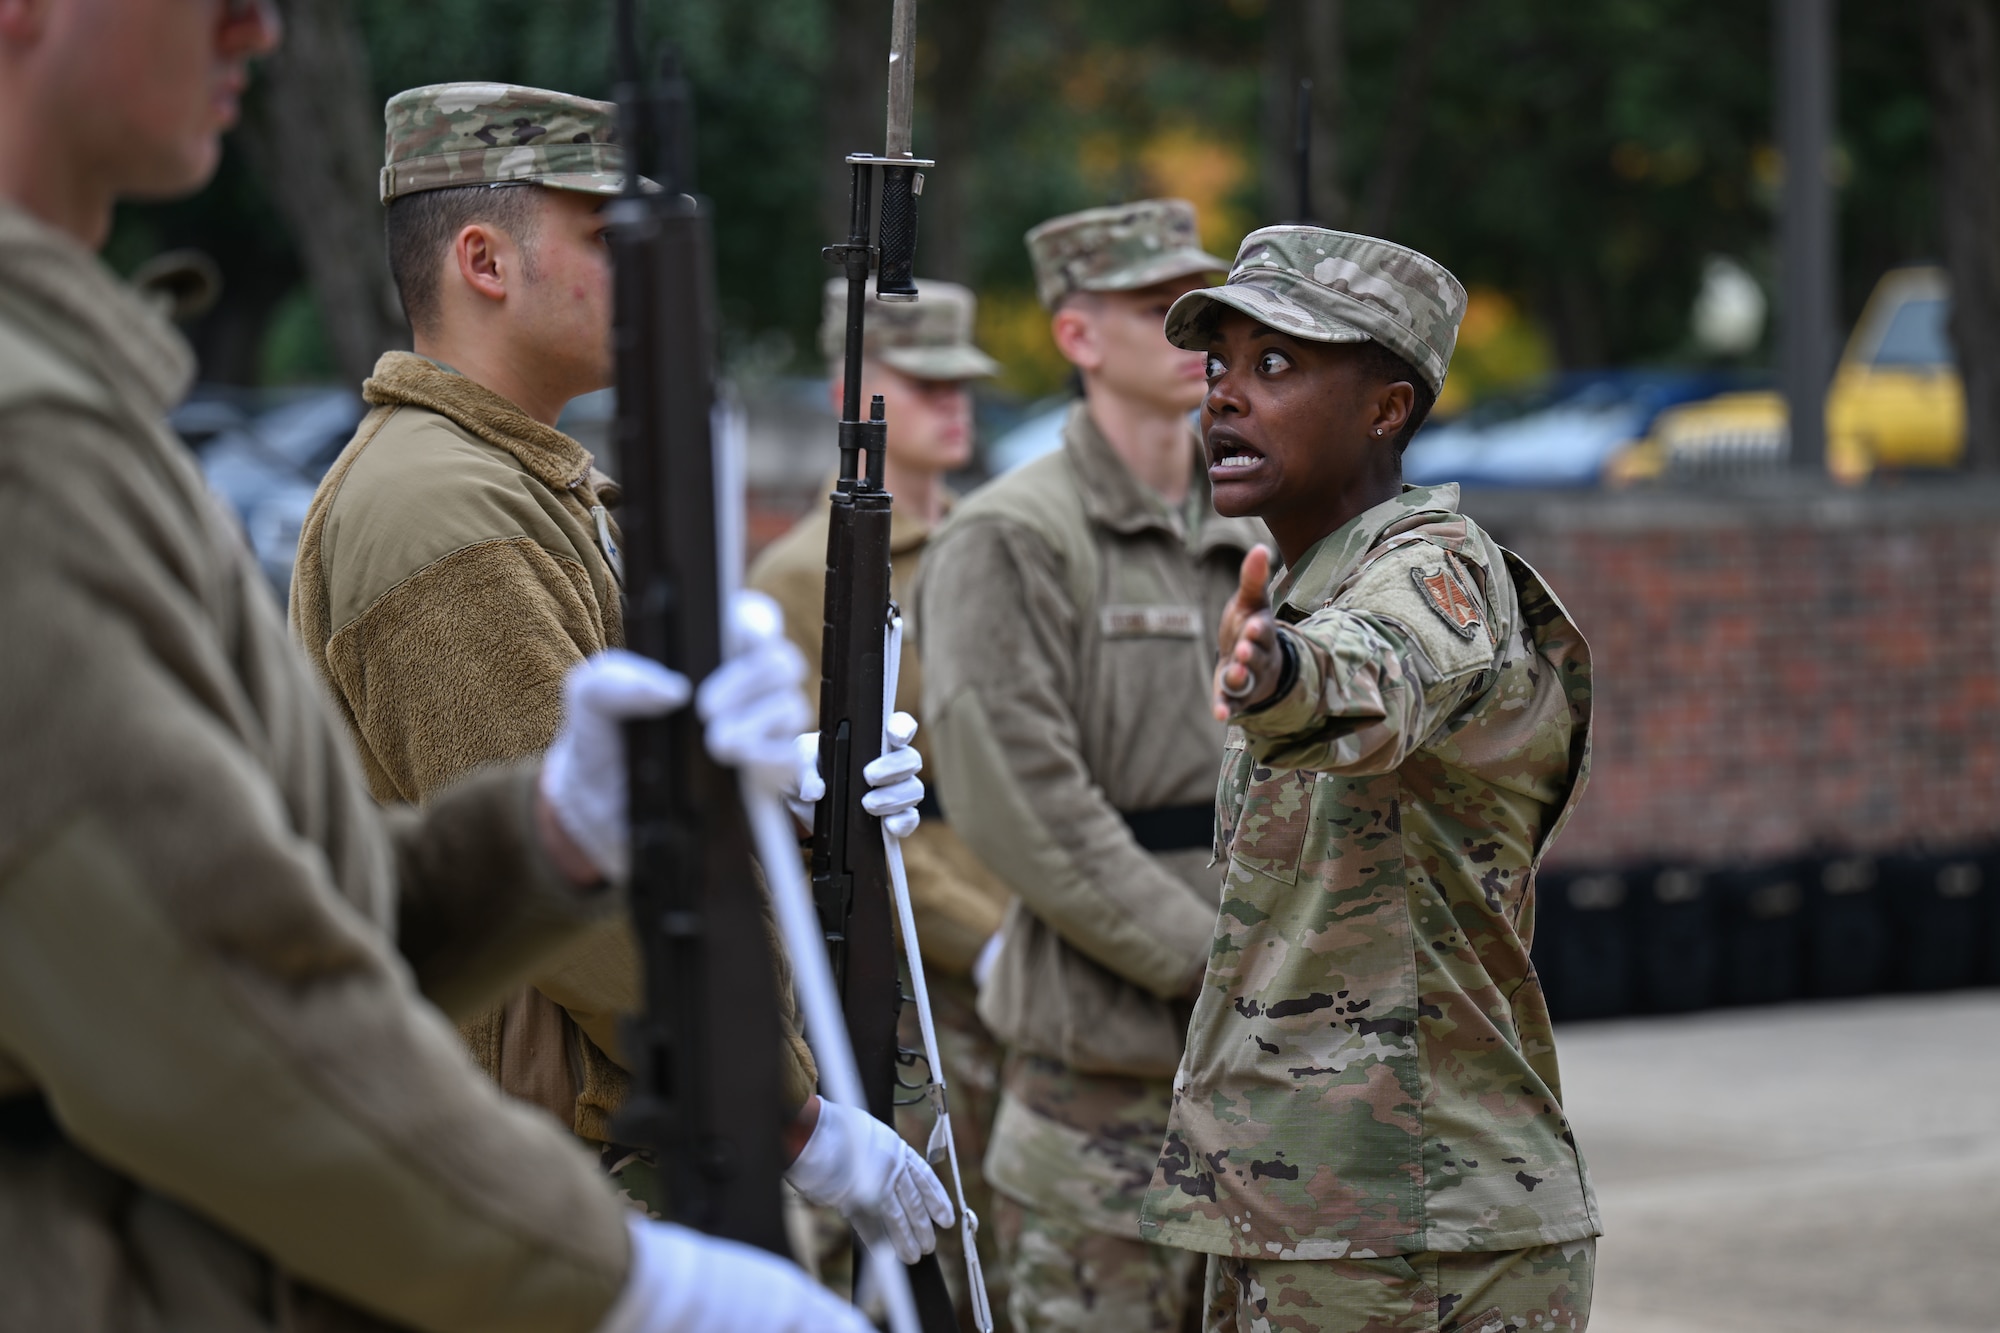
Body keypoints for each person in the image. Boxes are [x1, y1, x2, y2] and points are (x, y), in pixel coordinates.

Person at [0, 6, 877, 1327]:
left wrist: (553, 833)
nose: (257, 25)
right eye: (602, 238)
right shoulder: (63, 442)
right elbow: (221, 1008)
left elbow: (298, 911)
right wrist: (646, 1260)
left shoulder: (87, 405)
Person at [289, 81, 951, 1258]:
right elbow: (570, 887)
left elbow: (619, 796)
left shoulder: (522, 482)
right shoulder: (444, 507)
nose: (645, 275)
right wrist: (790, 1118)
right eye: (605, 239)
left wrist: (768, 790)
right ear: (484, 262)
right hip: (531, 1168)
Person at [1134, 226, 1600, 1333]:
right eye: (1217, 365)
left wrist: (1280, 674)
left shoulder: (1435, 569)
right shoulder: (1315, 584)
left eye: (1275, 364)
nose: (1224, 396)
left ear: (1386, 410)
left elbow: (1376, 672)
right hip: (1327, 1217)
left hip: (1408, 1233)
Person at [914, 199, 1266, 1333]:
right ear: (1075, 335)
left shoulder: (1261, 527)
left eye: (1204, 308)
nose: (1196, 333)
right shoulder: (1011, 535)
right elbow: (1022, 801)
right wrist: (1222, 964)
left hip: (1263, 1086)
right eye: (1156, 307)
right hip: (1101, 1099)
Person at [749, 276, 1016, 1314]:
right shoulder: (797, 577)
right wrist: (982, 936)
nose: (955, 404)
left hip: (1021, 935)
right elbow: (808, 811)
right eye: (925, 382)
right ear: (848, 395)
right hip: (909, 961)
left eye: (964, 383)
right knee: (894, 1262)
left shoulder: (999, 543)